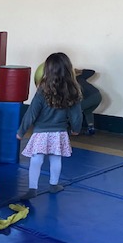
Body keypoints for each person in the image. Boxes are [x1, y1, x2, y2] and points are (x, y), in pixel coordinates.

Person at [16, 52, 83, 200]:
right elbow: (77, 115)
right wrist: (76, 129)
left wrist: (21, 131)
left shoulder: (43, 89)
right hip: (59, 133)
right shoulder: (72, 90)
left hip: (41, 132)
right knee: (55, 158)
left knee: (36, 159)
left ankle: (32, 188)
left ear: (47, 70)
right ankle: (53, 185)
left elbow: (31, 113)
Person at [75, 68, 102, 135]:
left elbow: (92, 72)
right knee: (88, 111)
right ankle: (91, 129)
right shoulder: (79, 78)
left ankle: (75, 130)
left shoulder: (76, 78)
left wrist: (78, 71)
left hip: (91, 97)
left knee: (75, 110)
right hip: (98, 95)